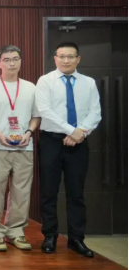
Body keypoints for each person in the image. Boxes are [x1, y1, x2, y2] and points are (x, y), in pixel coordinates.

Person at [35, 42, 101, 257]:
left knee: (76, 193)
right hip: (51, 141)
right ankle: (50, 236)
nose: (66, 60)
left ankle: (76, 238)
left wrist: (80, 133)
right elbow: (45, 110)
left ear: (78, 59)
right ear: (55, 58)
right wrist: (72, 131)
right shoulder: (45, 81)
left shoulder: (88, 83)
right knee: (48, 192)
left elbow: (95, 112)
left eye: (70, 56)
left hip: (79, 143)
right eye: (62, 56)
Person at [0, 45, 40, 252]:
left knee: (21, 192)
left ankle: (15, 231)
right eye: (7, 60)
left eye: (15, 59)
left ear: (21, 61)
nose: (12, 63)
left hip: (24, 147)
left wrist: (29, 133)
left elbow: (36, 116)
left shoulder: (31, 88)